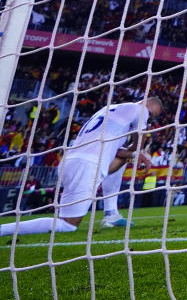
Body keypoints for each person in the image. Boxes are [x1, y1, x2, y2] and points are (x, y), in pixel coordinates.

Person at [0, 97, 163, 237]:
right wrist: (137, 150)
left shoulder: (109, 110)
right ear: (146, 104)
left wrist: (134, 155)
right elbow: (139, 141)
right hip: (86, 166)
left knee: (122, 159)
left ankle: (111, 214)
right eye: (152, 114)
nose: (149, 118)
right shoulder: (139, 110)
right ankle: (3, 229)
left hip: (70, 161)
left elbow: (117, 152)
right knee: (68, 225)